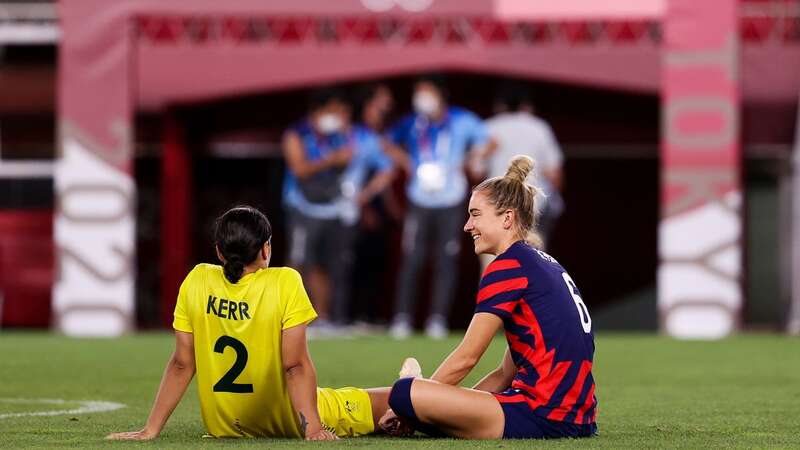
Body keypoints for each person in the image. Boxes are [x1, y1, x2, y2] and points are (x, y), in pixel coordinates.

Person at [106, 206, 390, 441]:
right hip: (289, 419)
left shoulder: (197, 280)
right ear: (266, 249)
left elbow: (182, 364)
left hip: (226, 426)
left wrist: (150, 430)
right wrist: (313, 427)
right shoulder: (285, 281)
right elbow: (295, 365)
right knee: (401, 399)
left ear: (219, 252)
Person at [378, 156, 598, 439]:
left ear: (507, 217)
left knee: (402, 393)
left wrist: (414, 402)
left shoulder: (508, 266)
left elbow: (466, 358)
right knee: (419, 396)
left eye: (475, 214)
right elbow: (504, 374)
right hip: (576, 418)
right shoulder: (543, 263)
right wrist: (444, 404)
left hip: (541, 414)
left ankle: (411, 399)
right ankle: (422, 404)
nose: (467, 226)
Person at [385, 74, 496, 339]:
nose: (420, 98)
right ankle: (402, 318)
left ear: (439, 94)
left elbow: (491, 142)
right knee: (413, 256)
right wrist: (407, 163)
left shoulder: (461, 119)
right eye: (418, 92)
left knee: (447, 259)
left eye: (425, 92)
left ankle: (437, 319)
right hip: (420, 198)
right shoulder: (412, 123)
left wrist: (469, 159)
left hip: (451, 198)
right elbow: (386, 141)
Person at [283, 88, 394, 330]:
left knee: (325, 265)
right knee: (299, 263)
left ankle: (323, 318)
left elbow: (382, 164)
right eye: (333, 111)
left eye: (342, 112)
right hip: (302, 208)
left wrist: (364, 196)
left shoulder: (343, 136)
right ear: (318, 111)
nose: (338, 116)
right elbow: (300, 169)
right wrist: (332, 160)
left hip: (333, 210)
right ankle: (289, 317)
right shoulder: (297, 134)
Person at [484, 83, 565, 255]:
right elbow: (555, 174)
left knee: (494, 263)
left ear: (499, 105)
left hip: (497, 206)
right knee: (535, 261)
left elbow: (475, 170)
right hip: (533, 207)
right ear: (527, 106)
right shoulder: (540, 128)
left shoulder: (488, 128)